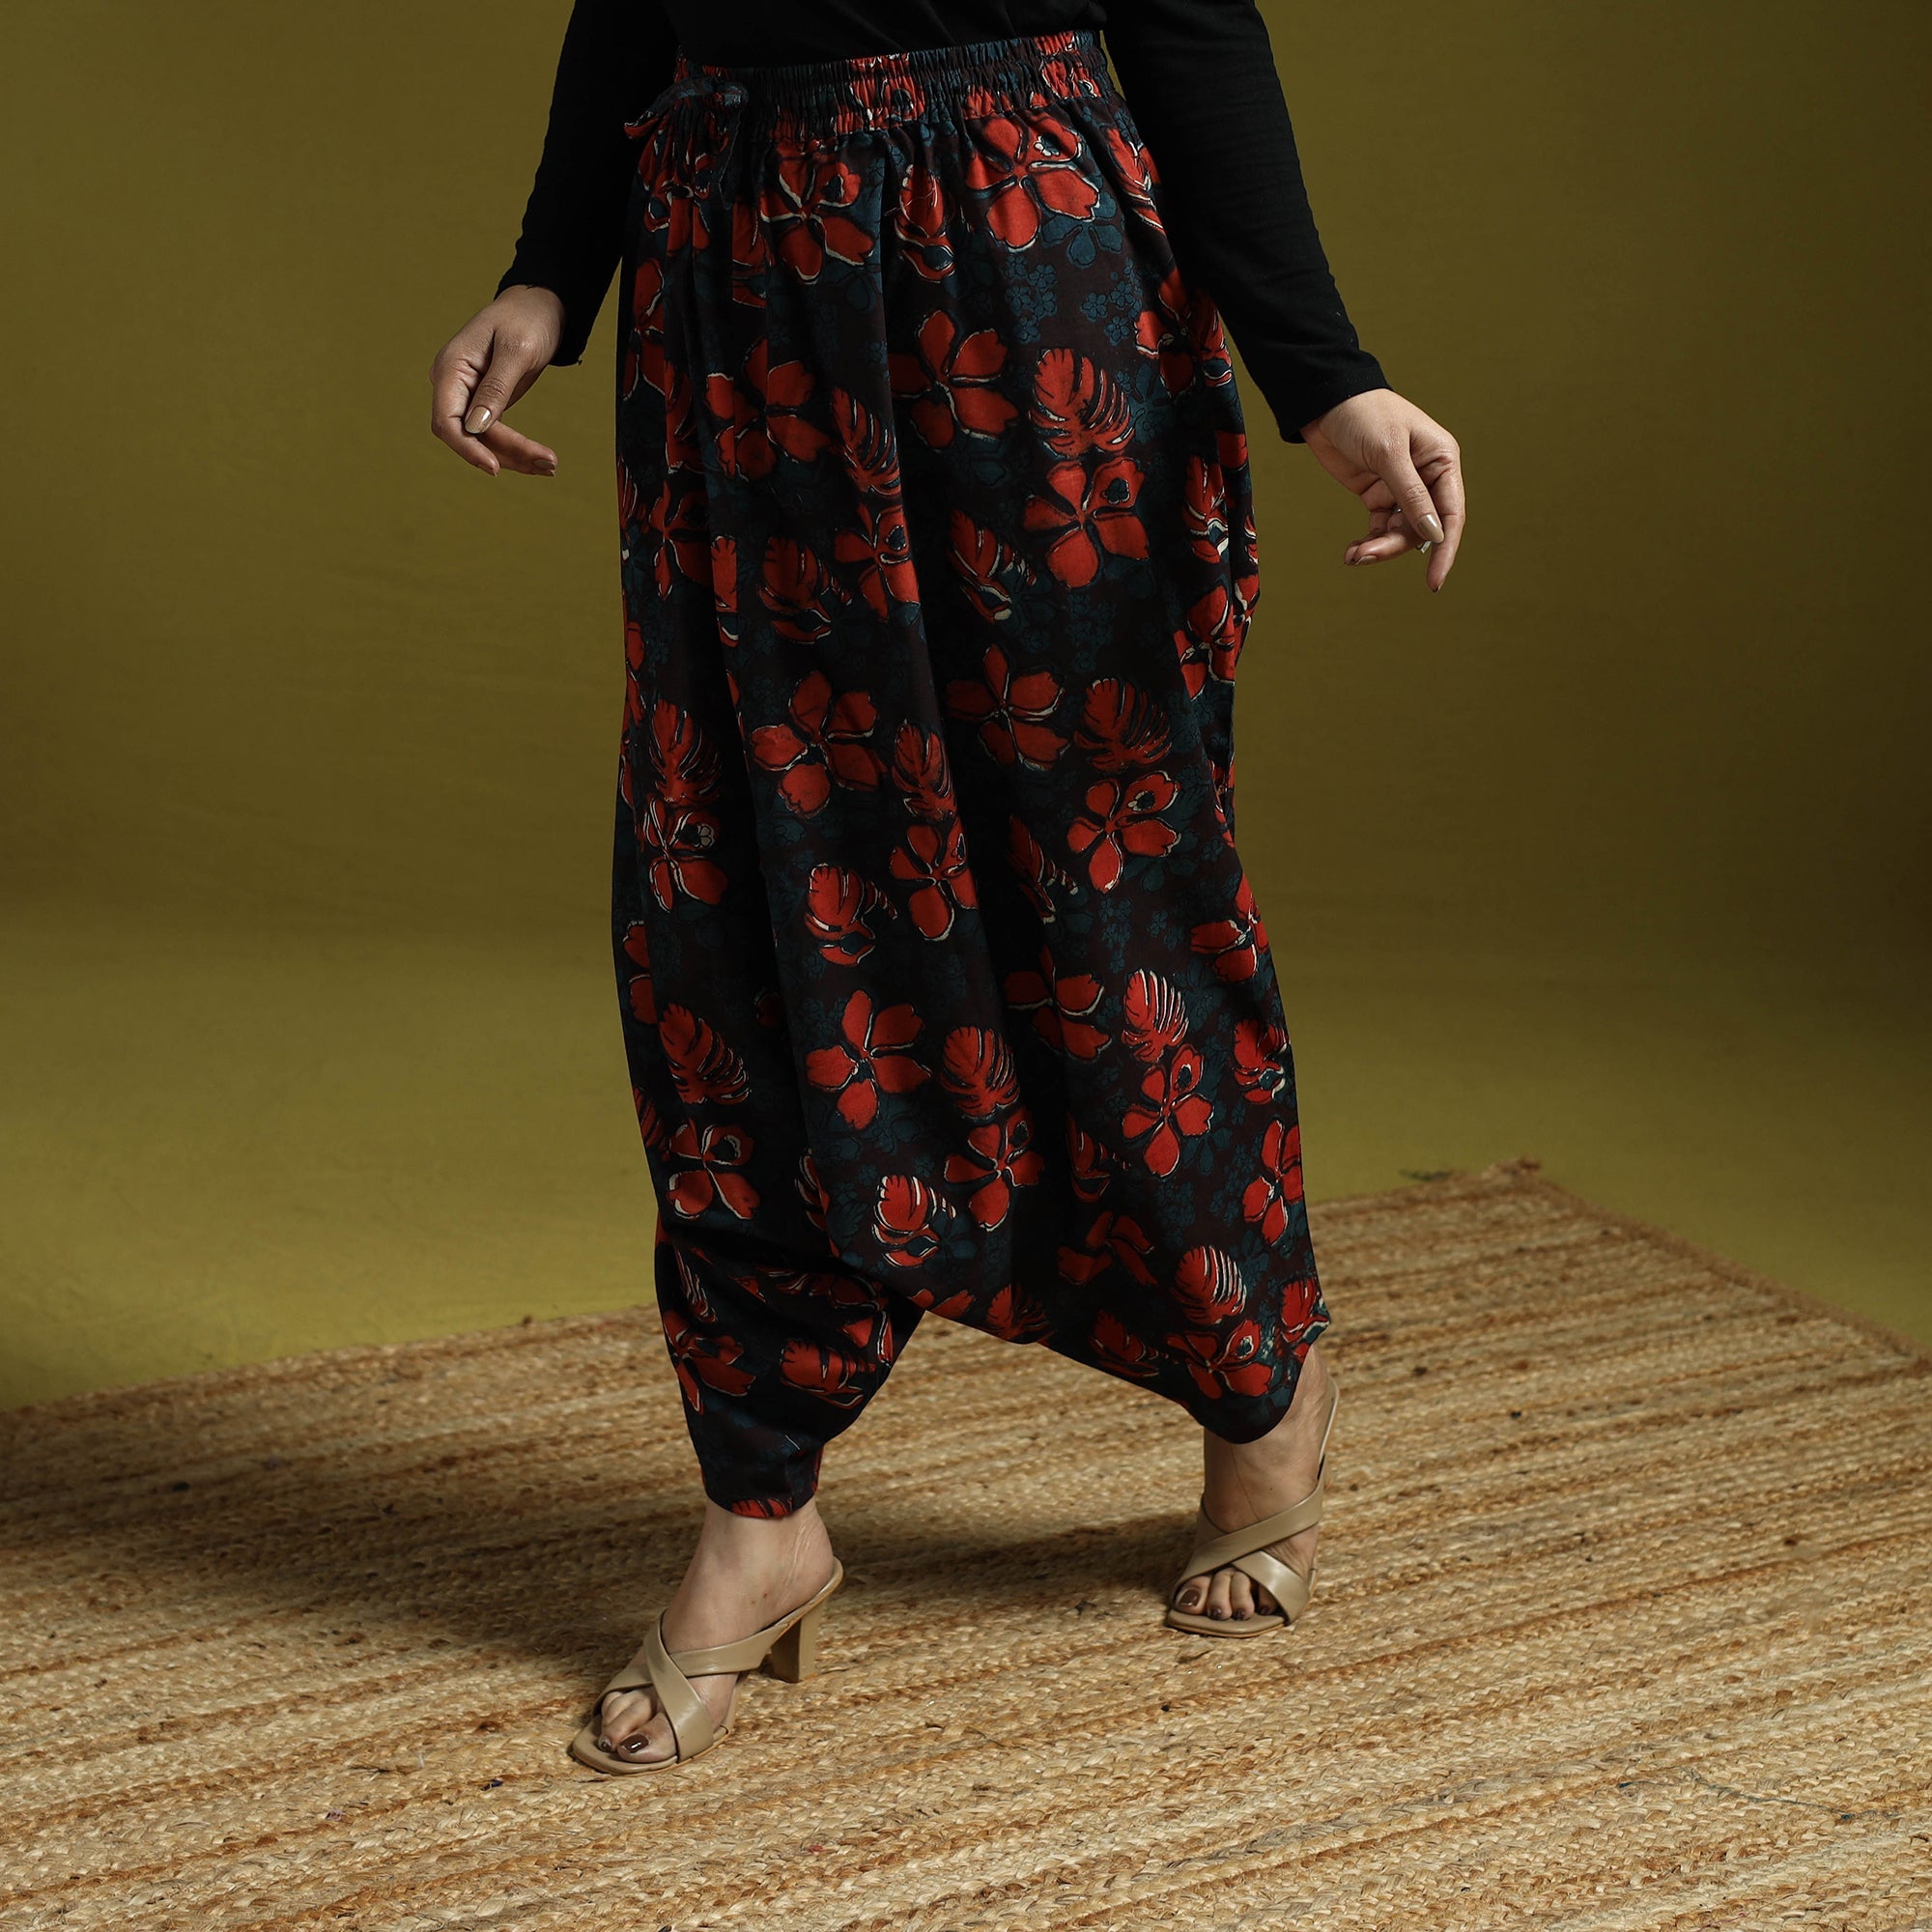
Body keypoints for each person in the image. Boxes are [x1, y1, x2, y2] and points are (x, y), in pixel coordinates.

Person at [429, 0, 1463, 1775]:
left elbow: (1188, 15)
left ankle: (1259, 1382)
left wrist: (1323, 371)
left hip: (1015, 263)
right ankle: (761, 1511)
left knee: (1107, 881)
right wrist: (549, 268)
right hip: (730, 284)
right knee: (730, 899)